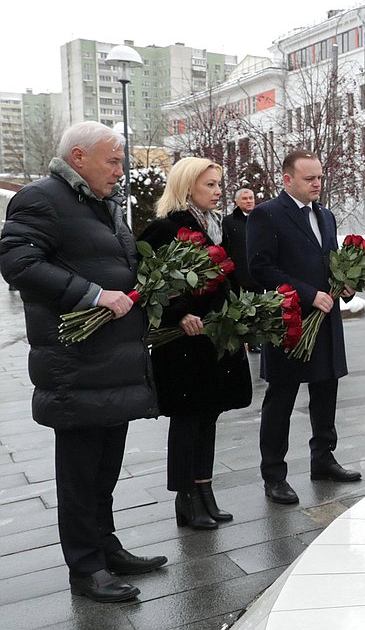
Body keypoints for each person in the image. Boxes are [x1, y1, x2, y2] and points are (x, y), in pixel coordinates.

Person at [0, 121, 166, 602]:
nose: (121, 169)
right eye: (113, 160)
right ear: (78, 158)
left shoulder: (99, 204)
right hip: (75, 364)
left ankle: (106, 547)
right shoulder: (41, 198)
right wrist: (93, 295)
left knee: (105, 468)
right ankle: (85, 568)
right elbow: (17, 262)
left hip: (112, 362)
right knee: (80, 473)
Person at [138, 158, 252, 530]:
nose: (218, 191)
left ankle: (204, 491)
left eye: (219, 184)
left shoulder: (218, 226)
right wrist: (178, 313)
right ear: (187, 188)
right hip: (183, 342)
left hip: (213, 337)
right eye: (210, 185)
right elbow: (149, 279)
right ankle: (185, 499)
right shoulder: (166, 228)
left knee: (209, 414)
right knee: (188, 420)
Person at [247, 149, 359, 506]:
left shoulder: (325, 215)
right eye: (309, 178)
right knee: (281, 398)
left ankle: (323, 459)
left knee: (326, 390)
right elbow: (261, 268)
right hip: (291, 322)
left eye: (320, 178)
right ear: (287, 179)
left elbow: (330, 259)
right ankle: (274, 475)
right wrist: (309, 294)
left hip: (325, 321)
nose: (317, 184)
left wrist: (345, 282)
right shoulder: (266, 215)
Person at [221, 187, 261, 352]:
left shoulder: (261, 219)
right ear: (236, 202)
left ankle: (254, 340)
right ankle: (236, 340)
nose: (249, 201)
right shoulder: (228, 222)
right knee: (236, 309)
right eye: (244, 198)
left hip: (257, 272)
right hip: (236, 274)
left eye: (251, 198)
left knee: (257, 308)